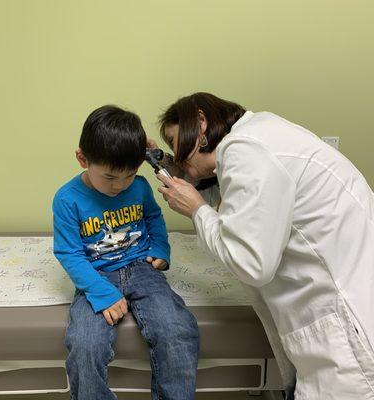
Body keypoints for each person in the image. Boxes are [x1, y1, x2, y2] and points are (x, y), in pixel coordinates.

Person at [151, 92, 374, 399]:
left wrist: (197, 210)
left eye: (175, 143)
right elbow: (244, 207)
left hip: (349, 338)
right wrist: (169, 167)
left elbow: (252, 264)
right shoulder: (261, 133)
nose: (178, 157)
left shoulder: (244, 151)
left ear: (200, 123)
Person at [52, 105, 199, 400]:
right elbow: (69, 254)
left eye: (129, 175)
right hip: (96, 274)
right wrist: (101, 292)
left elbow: (154, 219)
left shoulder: (141, 187)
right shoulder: (67, 199)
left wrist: (160, 247)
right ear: (83, 159)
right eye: (109, 177)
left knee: (177, 330)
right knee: (85, 344)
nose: (119, 186)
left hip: (142, 268)